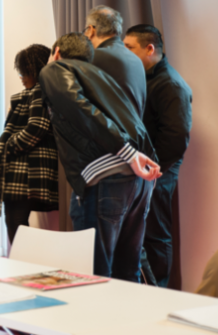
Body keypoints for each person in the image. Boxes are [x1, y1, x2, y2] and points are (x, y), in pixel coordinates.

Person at [39, 32, 162, 281]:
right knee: (128, 271)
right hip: (138, 181)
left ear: (58, 52)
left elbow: (81, 110)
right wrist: (138, 156)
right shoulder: (102, 77)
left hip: (107, 175)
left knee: (95, 274)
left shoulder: (55, 69)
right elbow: (133, 119)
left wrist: (127, 153)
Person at [124, 24, 193, 288]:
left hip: (159, 171)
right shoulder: (145, 77)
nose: (125, 53)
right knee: (142, 235)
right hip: (145, 170)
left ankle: (160, 292)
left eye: (129, 48)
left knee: (156, 235)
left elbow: (176, 139)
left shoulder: (171, 84)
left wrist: (152, 171)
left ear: (149, 49)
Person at [0, 44, 59, 244]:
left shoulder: (38, 91)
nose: (21, 77)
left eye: (24, 72)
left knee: (16, 224)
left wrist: (8, 147)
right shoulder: (41, 91)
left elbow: (37, 127)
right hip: (28, 169)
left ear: (34, 70)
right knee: (17, 224)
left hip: (26, 170)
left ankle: (24, 267)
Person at [84, 5, 146, 117]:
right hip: (136, 131)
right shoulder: (135, 58)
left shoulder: (95, 57)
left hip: (111, 132)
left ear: (90, 30)